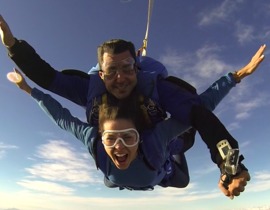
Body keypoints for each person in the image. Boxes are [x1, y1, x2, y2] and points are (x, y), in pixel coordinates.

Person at [1, 15, 260, 198]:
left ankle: (164, 164)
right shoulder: (90, 95)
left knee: (181, 172)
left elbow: (199, 113)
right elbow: (49, 79)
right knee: (112, 180)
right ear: (100, 75)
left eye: (126, 69)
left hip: (161, 154)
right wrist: (13, 46)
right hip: (129, 165)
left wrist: (229, 165)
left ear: (137, 68)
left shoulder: (157, 94)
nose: (120, 78)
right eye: (111, 71)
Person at [11, 69, 250, 196]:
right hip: (136, 173)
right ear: (100, 137)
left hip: (162, 168)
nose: (119, 147)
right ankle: (169, 153)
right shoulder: (94, 141)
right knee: (110, 182)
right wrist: (29, 90)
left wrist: (233, 78)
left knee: (182, 164)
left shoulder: (155, 138)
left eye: (128, 137)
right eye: (110, 138)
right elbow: (61, 118)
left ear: (140, 137)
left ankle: (172, 152)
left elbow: (198, 110)